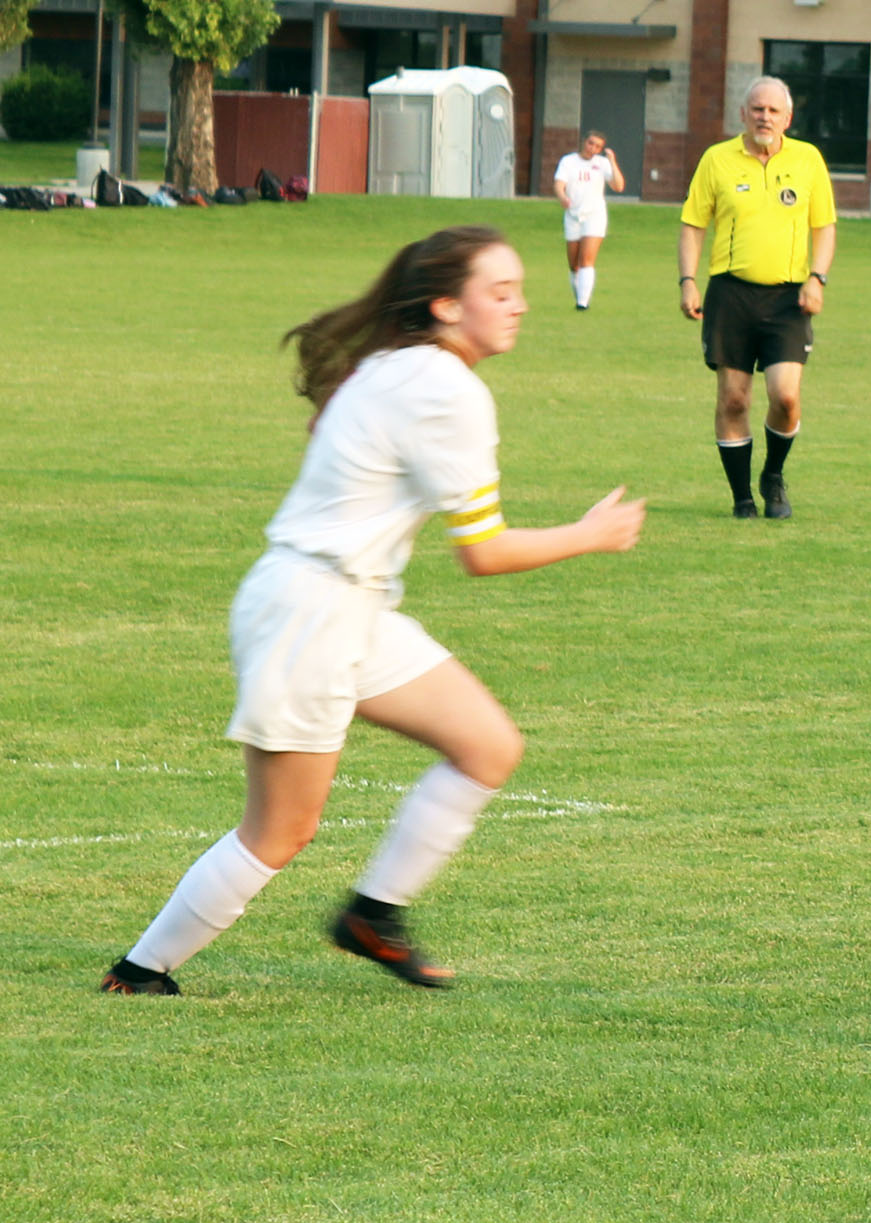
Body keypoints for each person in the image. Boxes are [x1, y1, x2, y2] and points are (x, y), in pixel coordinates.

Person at [99, 226, 646, 996]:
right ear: (447, 305)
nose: (521, 305)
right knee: (280, 832)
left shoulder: (400, 366)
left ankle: (371, 917)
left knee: (489, 746)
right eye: (501, 292)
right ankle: (139, 972)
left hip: (345, 607)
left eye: (520, 289)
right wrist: (589, 536)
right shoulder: (448, 390)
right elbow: (481, 551)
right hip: (310, 614)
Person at [678, 75, 837, 519]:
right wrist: (687, 280)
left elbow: (824, 226)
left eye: (773, 110)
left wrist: (817, 278)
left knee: (785, 397)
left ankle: (773, 474)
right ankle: (742, 498)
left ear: (788, 117)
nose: (764, 117)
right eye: (757, 109)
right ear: (743, 114)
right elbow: (693, 225)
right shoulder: (717, 160)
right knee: (734, 398)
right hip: (730, 293)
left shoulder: (808, 160)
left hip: (788, 297)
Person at [554, 131, 625, 310]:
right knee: (573, 264)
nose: (592, 148)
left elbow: (618, 186)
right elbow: (559, 184)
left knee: (587, 259)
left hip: (594, 215)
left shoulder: (601, 164)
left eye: (597, 146)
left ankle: (582, 303)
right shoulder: (568, 161)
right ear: (584, 142)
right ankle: (579, 295)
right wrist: (562, 197)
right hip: (572, 214)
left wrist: (612, 161)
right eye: (590, 143)